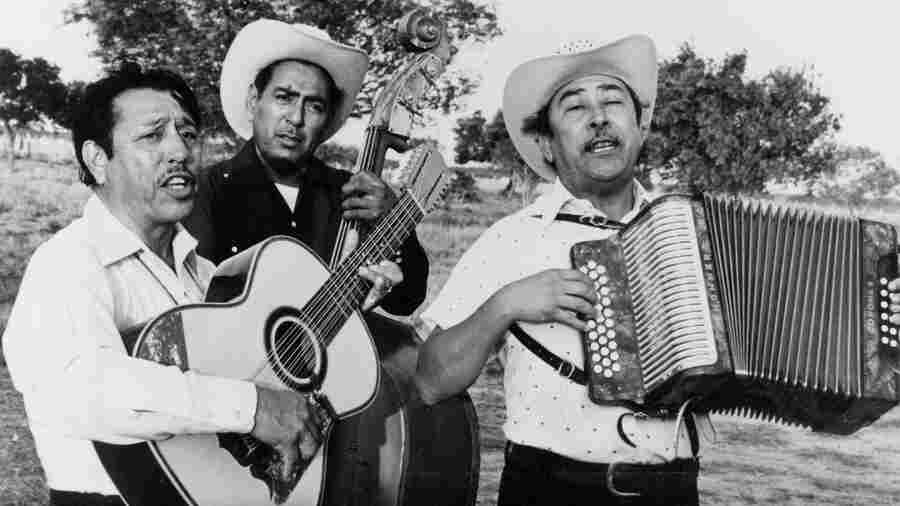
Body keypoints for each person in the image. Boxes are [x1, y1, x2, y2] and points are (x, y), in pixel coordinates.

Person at [413, 35, 900, 505]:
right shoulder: (512, 239)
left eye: (613, 101)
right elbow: (432, 380)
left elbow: (785, 330)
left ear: (640, 125)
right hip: (551, 487)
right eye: (575, 108)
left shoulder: (695, 231)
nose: (599, 117)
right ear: (545, 143)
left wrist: (879, 336)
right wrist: (504, 305)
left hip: (673, 490)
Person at [0, 64, 389, 506]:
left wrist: (345, 308)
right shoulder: (66, 262)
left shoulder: (205, 273)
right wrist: (253, 407)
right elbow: (86, 390)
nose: (179, 150)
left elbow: (254, 374)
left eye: (186, 134)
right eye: (153, 136)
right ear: (97, 159)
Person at [184, 19, 429, 316]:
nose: (296, 118)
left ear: (326, 119)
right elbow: (196, 308)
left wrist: (395, 223)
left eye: (314, 106)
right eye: (284, 97)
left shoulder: (351, 193)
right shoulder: (206, 190)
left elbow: (407, 301)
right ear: (253, 101)